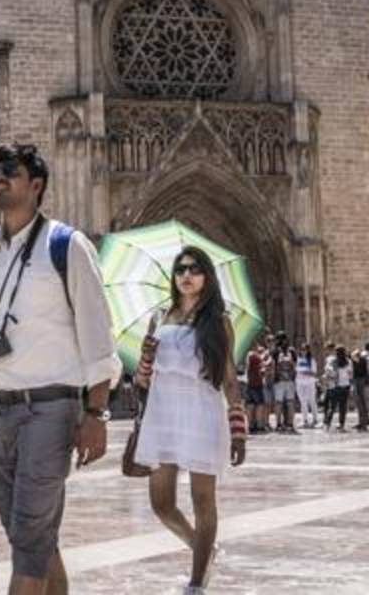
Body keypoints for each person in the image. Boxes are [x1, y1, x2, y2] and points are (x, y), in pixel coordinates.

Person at [0, 144, 121, 595]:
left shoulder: (66, 246)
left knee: (31, 532)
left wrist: (96, 414)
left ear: (36, 186)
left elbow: (99, 335)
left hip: (52, 408)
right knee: (29, 537)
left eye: (10, 171)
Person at [133, 247, 247, 594]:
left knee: (202, 499)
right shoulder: (160, 317)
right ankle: (204, 548)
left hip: (201, 411)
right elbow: (141, 379)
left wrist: (238, 427)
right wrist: (146, 357)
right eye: (181, 269)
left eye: (195, 269)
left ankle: (196, 583)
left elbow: (227, 376)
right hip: (163, 411)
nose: (186, 274)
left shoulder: (218, 321)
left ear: (207, 277)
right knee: (161, 503)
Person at [270, 336, 298, 433]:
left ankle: (278, 424)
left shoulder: (276, 352)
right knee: (290, 403)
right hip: (290, 381)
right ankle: (290, 424)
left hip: (279, 381)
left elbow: (273, 365)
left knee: (278, 403)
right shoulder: (292, 351)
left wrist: (273, 379)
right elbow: (295, 365)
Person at [324, 346, 352, 431]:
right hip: (345, 386)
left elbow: (327, 370)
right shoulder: (348, 362)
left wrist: (332, 376)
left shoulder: (333, 362)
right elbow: (350, 374)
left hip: (336, 386)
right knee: (343, 407)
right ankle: (341, 424)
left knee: (332, 407)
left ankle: (327, 424)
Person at [245, 343, 267, 434]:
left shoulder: (248, 355)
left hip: (249, 383)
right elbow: (263, 366)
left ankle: (250, 425)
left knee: (250, 405)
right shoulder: (254, 356)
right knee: (259, 405)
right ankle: (259, 426)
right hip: (257, 383)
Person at [295, 343, 319, 428]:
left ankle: (315, 419)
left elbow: (314, 373)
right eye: (302, 349)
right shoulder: (298, 360)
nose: (303, 351)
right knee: (303, 402)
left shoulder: (311, 360)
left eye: (305, 349)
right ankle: (305, 420)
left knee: (312, 401)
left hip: (309, 383)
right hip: (300, 383)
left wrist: (305, 372)